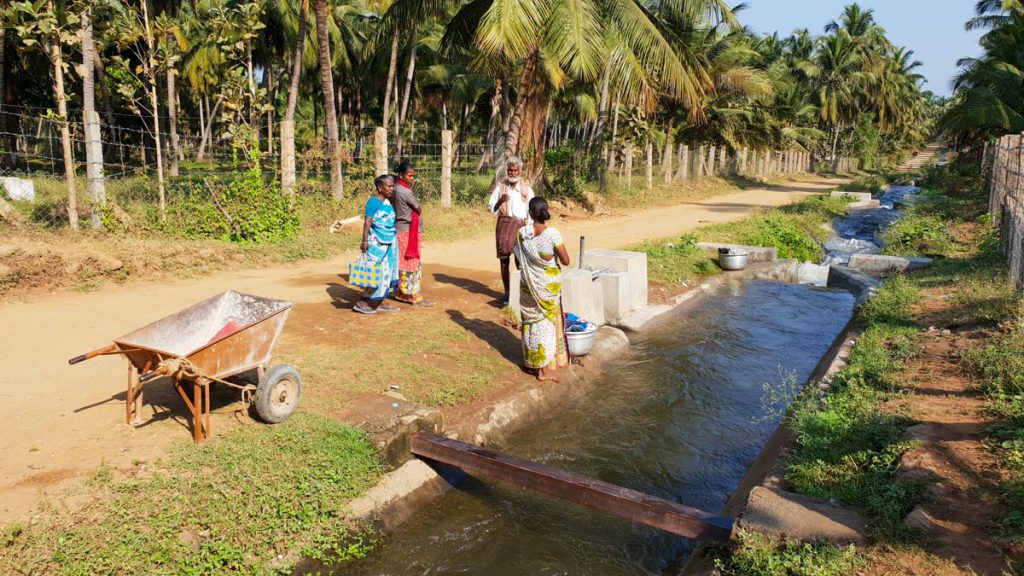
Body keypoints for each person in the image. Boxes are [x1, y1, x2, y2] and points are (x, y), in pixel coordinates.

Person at [514, 196, 570, 382]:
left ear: (530, 213)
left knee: (529, 323)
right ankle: (543, 371)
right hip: (546, 287)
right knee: (544, 326)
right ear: (546, 211)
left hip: (528, 285)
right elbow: (566, 260)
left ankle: (530, 362)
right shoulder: (552, 234)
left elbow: (517, 258)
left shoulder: (522, 233)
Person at [488, 156, 535, 305]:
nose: (512, 173)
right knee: (503, 261)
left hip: (521, 227)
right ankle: (507, 293)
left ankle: (521, 292)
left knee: (520, 260)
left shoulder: (526, 190)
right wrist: (500, 201)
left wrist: (529, 230)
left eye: (515, 170)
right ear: (507, 170)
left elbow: (532, 213)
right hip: (504, 225)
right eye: (510, 170)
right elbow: (491, 208)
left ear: (520, 171)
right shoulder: (500, 187)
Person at [353, 175, 401, 315]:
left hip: (389, 243)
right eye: (389, 186)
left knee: (386, 272)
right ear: (380, 188)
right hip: (376, 244)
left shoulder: (387, 202)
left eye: (393, 186)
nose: (392, 188)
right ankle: (362, 302)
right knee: (375, 272)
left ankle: (381, 302)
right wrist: (364, 241)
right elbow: (367, 222)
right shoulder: (373, 202)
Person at [391, 159, 432, 306]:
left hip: (399, 228)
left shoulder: (394, 188)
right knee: (412, 262)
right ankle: (414, 295)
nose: (412, 179)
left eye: (413, 176)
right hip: (409, 230)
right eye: (410, 176)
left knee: (402, 261)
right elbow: (418, 208)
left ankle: (401, 292)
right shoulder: (406, 191)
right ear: (401, 175)